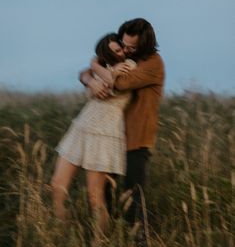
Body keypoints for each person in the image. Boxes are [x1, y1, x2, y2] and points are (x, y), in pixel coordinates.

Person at [80, 18, 165, 246]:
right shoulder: (127, 57)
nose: (126, 50)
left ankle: (140, 240)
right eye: (124, 45)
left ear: (146, 44)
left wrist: (95, 66)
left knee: (134, 196)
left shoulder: (154, 63)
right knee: (106, 192)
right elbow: (83, 73)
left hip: (137, 139)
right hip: (113, 137)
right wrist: (89, 79)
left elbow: (122, 83)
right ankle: (107, 239)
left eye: (132, 47)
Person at [50, 33, 136, 245]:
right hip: (81, 128)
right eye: (114, 51)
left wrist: (94, 67)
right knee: (56, 185)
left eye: (120, 49)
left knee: (95, 197)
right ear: (105, 54)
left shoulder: (130, 65)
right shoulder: (103, 68)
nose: (120, 53)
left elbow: (114, 84)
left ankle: (98, 242)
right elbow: (86, 78)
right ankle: (61, 235)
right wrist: (90, 78)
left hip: (105, 134)